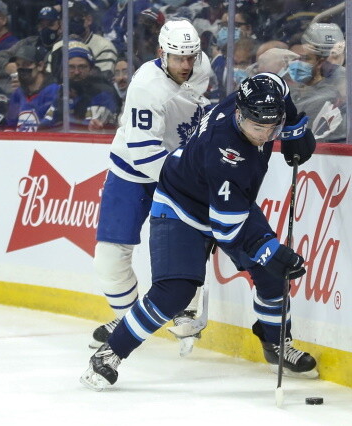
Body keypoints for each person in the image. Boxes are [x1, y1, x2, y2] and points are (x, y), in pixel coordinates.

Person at [80, 73, 318, 391]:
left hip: (230, 201)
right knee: (174, 292)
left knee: (273, 276)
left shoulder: (252, 98)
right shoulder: (227, 155)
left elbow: (275, 83)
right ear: (239, 114)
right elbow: (226, 228)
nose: (264, 135)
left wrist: (293, 127)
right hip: (182, 207)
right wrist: (269, 251)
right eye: (257, 127)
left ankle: (275, 343)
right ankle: (110, 353)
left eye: (271, 127)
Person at [89, 19, 212, 354]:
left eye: (191, 57)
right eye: (178, 58)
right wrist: (189, 184)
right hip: (133, 171)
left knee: (189, 243)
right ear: (162, 53)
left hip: (177, 165)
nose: (186, 65)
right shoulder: (146, 86)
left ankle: (186, 306)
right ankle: (128, 322)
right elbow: (145, 157)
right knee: (109, 259)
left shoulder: (202, 68)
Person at [49, 41, 119, 130]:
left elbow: (92, 130)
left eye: (82, 67)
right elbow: (43, 127)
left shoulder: (103, 94)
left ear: (91, 69)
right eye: (71, 67)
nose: (77, 72)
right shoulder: (59, 92)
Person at [5, 44, 60, 132]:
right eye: (18, 65)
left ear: (40, 66)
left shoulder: (54, 91)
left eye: (26, 64)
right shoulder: (18, 93)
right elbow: (10, 126)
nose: (21, 69)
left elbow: (52, 127)